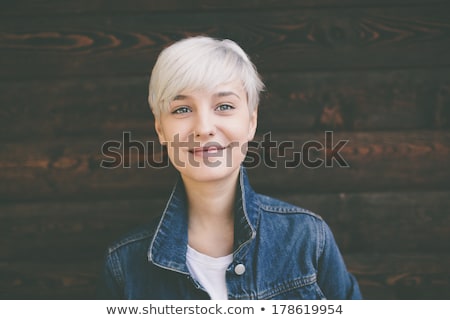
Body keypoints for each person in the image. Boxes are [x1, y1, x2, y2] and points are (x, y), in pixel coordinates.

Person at [97, 36, 362, 300]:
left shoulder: (308, 239)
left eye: (224, 106)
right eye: (181, 109)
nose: (203, 128)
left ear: (251, 121)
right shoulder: (124, 265)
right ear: (160, 129)